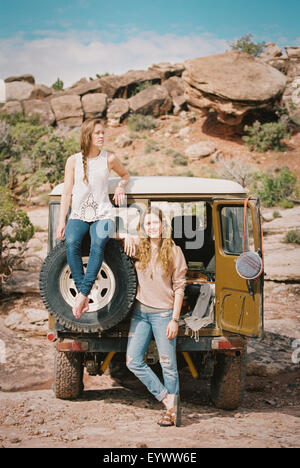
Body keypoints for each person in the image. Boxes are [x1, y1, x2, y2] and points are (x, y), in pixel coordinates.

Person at [56, 118, 129, 319]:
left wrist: (121, 186)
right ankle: (84, 293)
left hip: (103, 214)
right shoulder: (73, 161)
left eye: (103, 132)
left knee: (98, 244)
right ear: (87, 135)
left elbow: (125, 175)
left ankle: (81, 295)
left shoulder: (109, 158)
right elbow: (66, 192)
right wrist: (62, 220)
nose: (101, 136)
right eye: (97, 133)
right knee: (71, 243)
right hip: (79, 214)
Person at [123, 206, 187, 427]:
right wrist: (125, 234)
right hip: (140, 313)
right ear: (143, 227)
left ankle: (172, 413)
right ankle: (168, 400)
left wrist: (174, 319)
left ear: (162, 225)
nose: (152, 227)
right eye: (147, 224)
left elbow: (179, 287)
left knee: (168, 364)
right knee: (133, 361)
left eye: (155, 223)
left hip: (163, 314)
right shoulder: (138, 248)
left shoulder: (174, 251)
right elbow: (106, 237)